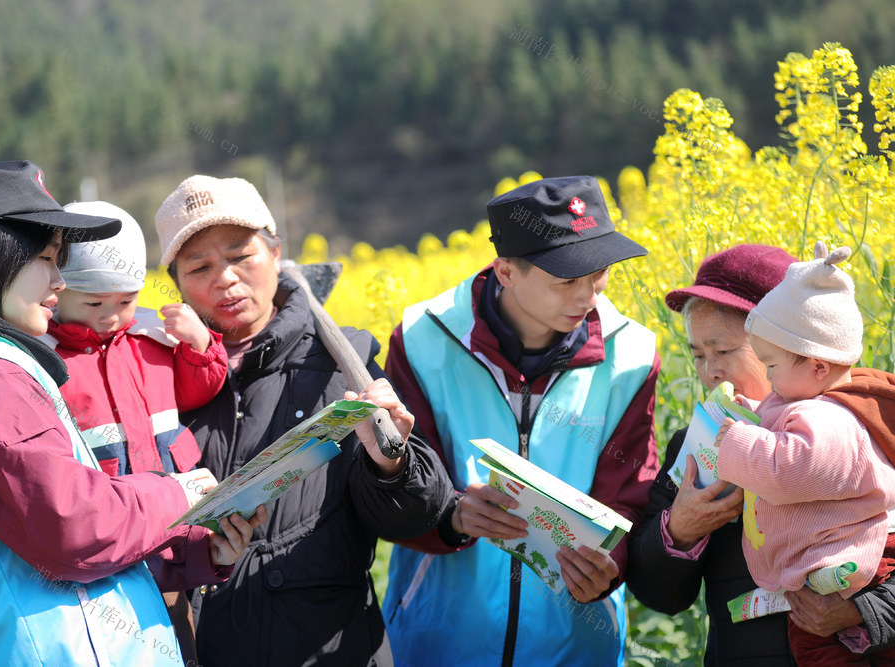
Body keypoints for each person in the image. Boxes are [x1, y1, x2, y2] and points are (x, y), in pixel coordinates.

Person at [0, 161, 263, 666]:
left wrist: (200, 553)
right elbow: (76, 529)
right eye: (46, 260)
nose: (59, 281)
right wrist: (179, 492)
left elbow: (46, 540)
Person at [153, 174, 455, 666]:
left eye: (240, 256)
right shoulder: (157, 375)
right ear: (178, 285)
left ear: (276, 254)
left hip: (330, 650)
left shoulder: (343, 362)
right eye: (200, 266)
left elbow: (415, 517)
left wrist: (392, 464)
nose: (224, 278)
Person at [381, 175, 661, 666]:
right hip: (440, 644)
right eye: (566, 281)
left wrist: (608, 565)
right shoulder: (422, 339)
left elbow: (631, 494)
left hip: (576, 648)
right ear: (506, 272)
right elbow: (391, 486)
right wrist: (451, 515)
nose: (588, 297)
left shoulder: (632, 355)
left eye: (599, 274)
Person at [626, 243, 895, 665]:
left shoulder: (869, 426)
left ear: (796, 345)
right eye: (697, 354)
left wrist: (862, 611)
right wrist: (679, 531)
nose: (709, 371)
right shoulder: (697, 443)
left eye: (725, 351)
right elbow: (658, 594)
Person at [44, 200, 232, 661]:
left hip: (176, 534)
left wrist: (200, 344)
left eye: (126, 302)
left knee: (182, 640)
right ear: (57, 293)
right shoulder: (48, 360)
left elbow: (198, 389)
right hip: (110, 546)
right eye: (93, 303)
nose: (111, 315)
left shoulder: (151, 340)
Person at [715, 241, 895, 663]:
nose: (768, 378)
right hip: (832, 566)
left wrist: (736, 441)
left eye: (771, 365)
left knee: (820, 651)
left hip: (854, 568)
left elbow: (790, 471)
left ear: (817, 367)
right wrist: (753, 417)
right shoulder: (806, 395)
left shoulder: (833, 419)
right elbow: (784, 423)